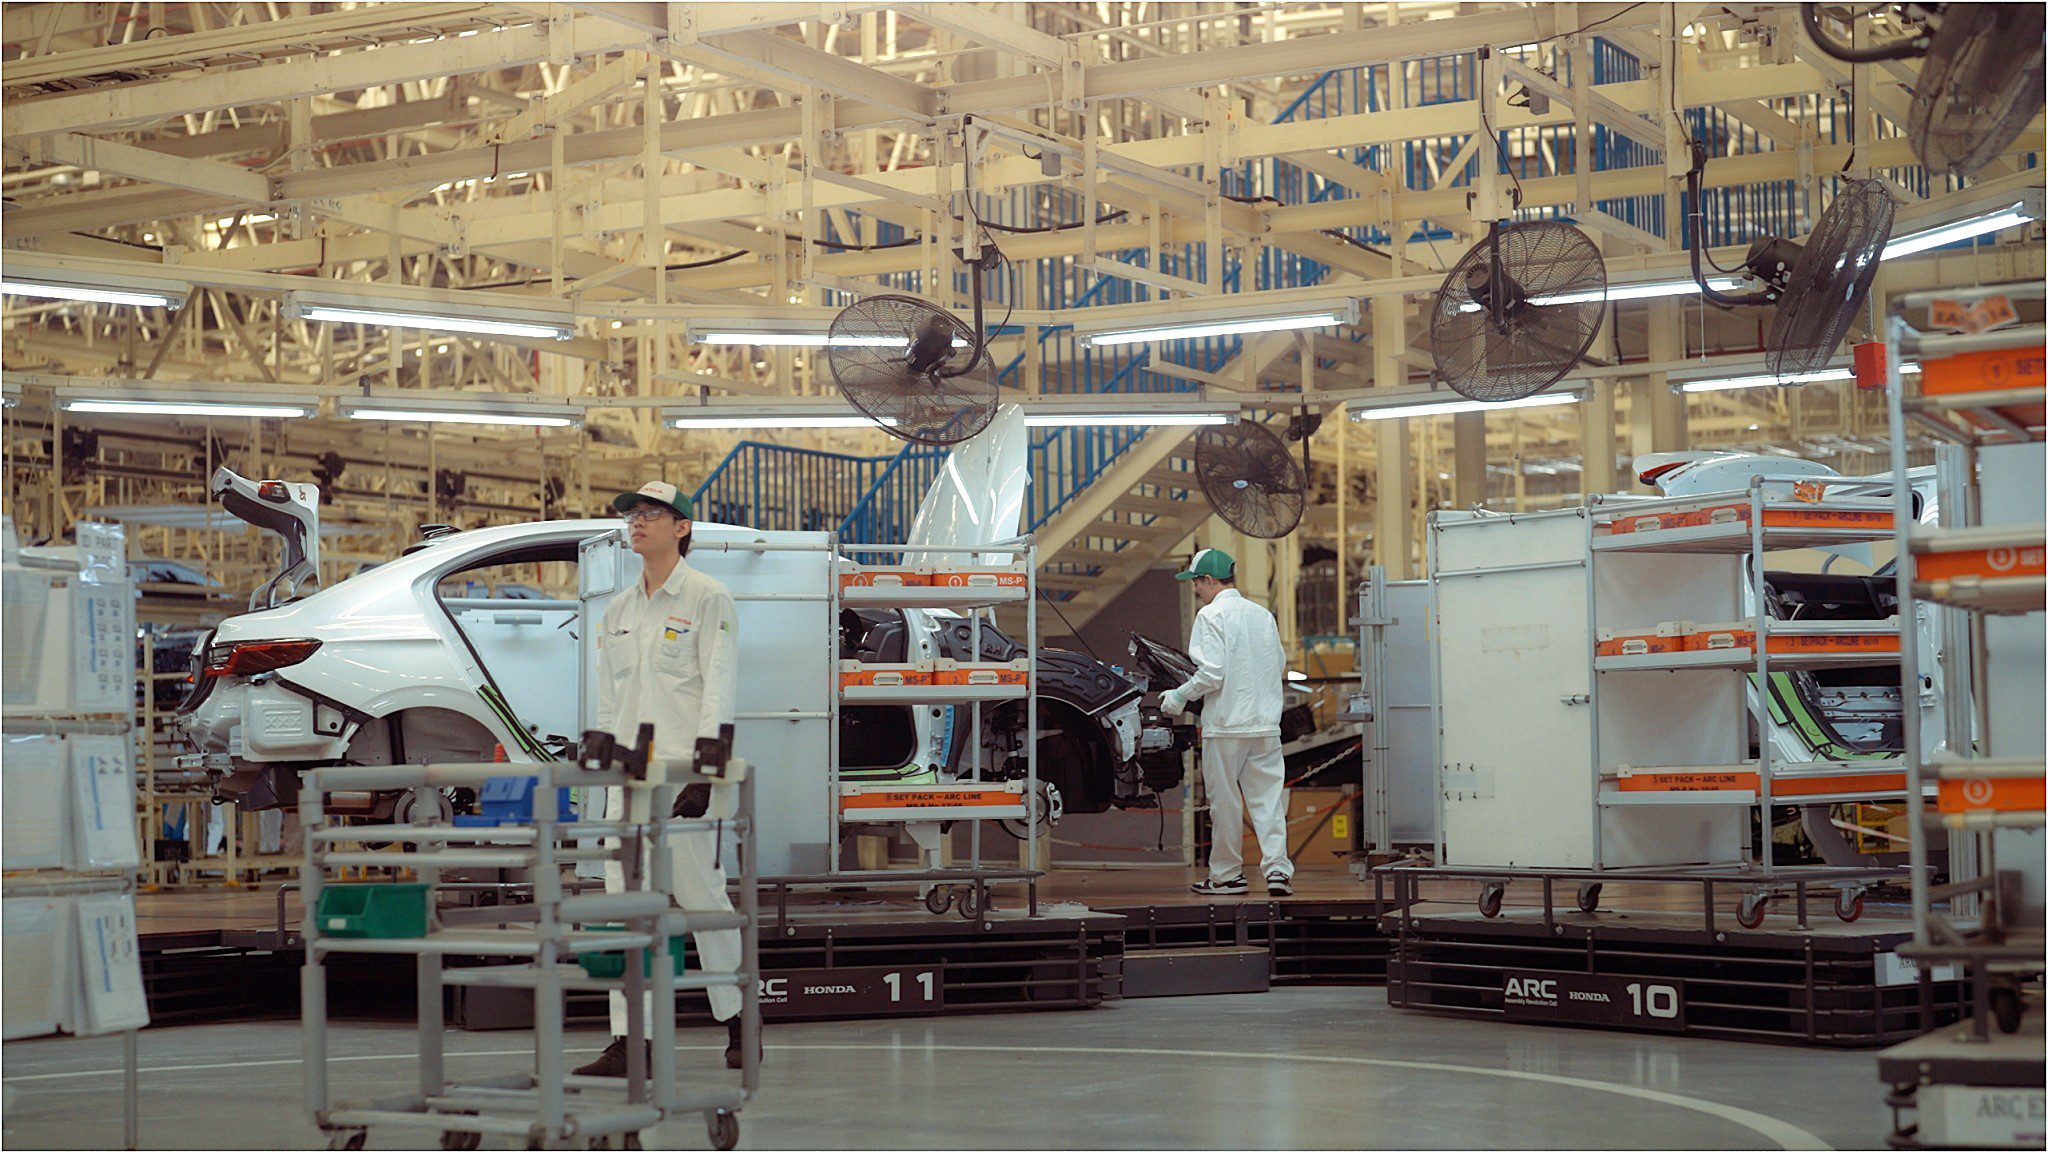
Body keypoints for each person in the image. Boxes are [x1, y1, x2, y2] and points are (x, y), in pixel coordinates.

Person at [574, 481, 755, 1076]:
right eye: (632, 515)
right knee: (627, 906)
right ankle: (633, 1041)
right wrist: (600, 745)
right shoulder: (619, 610)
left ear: (682, 528)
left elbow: (720, 682)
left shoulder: (707, 597)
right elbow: (611, 694)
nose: (636, 523)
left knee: (703, 899)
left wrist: (706, 772)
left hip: (684, 778)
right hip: (629, 782)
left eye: (650, 514)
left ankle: (740, 1020)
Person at [1158, 548, 1295, 898]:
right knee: (1268, 801)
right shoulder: (1262, 615)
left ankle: (1227, 876)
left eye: (1196, 583)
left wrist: (1179, 696)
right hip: (1265, 725)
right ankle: (1278, 870)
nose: (1195, 590)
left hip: (1226, 726)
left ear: (1208, 580)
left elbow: (1212, 674)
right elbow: (1278, 662)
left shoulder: (1210, 615)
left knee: (1226, 804)